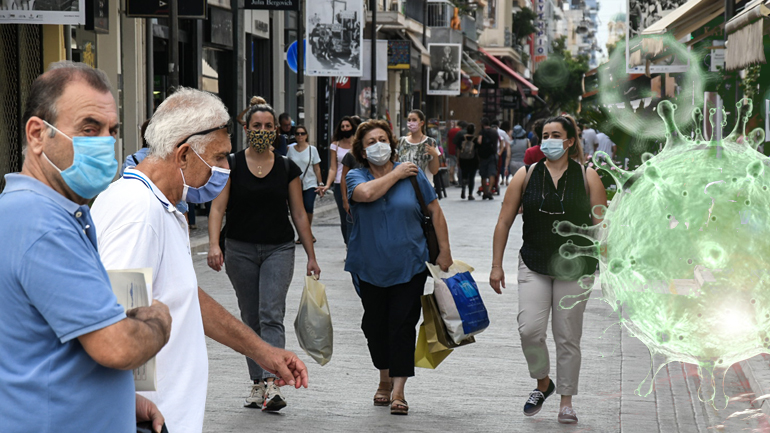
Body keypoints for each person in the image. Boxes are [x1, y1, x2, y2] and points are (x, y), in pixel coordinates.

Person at [92, 89, 309, 432]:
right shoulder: (139, 213)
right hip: (150, 419)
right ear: (183, 155)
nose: (226, 168)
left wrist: (263, 351)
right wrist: (132, 412)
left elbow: (184, 297)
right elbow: (120, 319)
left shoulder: (160, 207)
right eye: (219, 157)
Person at [0, 61, 171, 433]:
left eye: (111, 131)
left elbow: (40, 346)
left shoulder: (39, 212)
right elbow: (118, 347)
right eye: (89, 129)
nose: (105, 143)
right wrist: (159, 320)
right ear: (37, 135)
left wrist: (123, 400)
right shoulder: (41, 224)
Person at [489, 115, 607, 425]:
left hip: (577, 267)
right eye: (545, 135)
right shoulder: (526, 174)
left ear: (569, 141)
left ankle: (566, 401)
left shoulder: (588, 177)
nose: (549, 140)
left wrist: (610, 267)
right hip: (534, 262)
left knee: (567, 335)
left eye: (556, 135)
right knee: (529, 330)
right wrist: (496, 265)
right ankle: (543, 382)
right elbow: (504, 220)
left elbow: (602, 227)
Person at [206, 100, 317, 414]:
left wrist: (311, 254)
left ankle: (271, 382)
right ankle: (258, 382)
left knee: (271, 313)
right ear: (246, 128)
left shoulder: (287, 167)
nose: (263, 131)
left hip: (278, 249)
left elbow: (299, 213)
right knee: (250, 317)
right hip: (239, 249)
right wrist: (214, 245)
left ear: (276, 130)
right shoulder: (232, 164)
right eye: (257, 126)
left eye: (269, 126)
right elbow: (217, 208)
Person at [345, 120, 453, 416]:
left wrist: (445, 251)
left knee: (403, 325)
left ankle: (398, 390)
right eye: (371, 142)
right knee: (374, 326)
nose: (378, 145)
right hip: (369, 267)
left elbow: (435, 210)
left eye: (382, 139)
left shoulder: (413, 175)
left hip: (410, 264)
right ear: (362, 151)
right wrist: (396, 173)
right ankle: (384, 377)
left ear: (391, 144)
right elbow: (366, 194)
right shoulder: (356, 176)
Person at [320, 116, 358, 246]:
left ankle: (356, 243)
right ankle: (348, 244)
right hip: (339, 183)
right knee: (344, 215)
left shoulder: (358, 143)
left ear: (352, 127)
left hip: (357, 183)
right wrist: (327, 185)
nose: (345, 129)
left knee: (357, 214)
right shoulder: (335, 145)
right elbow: (333, 167)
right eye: (342, 127)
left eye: (347, 126)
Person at [287, 124, 324, 243]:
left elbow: (317, 168)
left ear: (306, 135)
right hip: (295, 183)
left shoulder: (312, 149)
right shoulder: (290, 149)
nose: (300, 136)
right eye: (297, 133)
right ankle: (304, 234)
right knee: (297, 209)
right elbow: (287, 166)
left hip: (310, 183)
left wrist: (320, 183)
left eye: (302, 133)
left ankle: (306, 233)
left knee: (308, 206)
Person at [476, 117, 499, 199]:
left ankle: (485, 192)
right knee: (492, 173)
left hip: (483, 156)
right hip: (492, 155)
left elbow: (479, 141)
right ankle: (490, 190)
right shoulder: (494, 132)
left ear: (482, 124)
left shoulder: (482, 132)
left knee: (484, 175)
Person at [457, 123, 478, 200]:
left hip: (463, 160)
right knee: (472, 177)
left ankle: (463, 189)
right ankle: (470, 194)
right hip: (473, 160)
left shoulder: (462, 138)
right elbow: (477, 150)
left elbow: (458, 150)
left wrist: (458, 159)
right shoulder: (475, 139)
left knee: (464, 175)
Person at [446, 120, 466, 185]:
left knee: (452, 164)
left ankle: (451, 179)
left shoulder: (451, 131)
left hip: (450, 150)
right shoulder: (460, 131)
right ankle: (458, 178)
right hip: (458, 150)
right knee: (458, 165)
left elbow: (447, 139)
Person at [498, 120, 513, 187]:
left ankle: (502, 179)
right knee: (507, 165)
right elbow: (510, 140)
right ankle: (507, 179)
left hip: (501, 150)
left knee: (502, 165)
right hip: (508, 149)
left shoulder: (500, 132)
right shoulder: (509, 132)